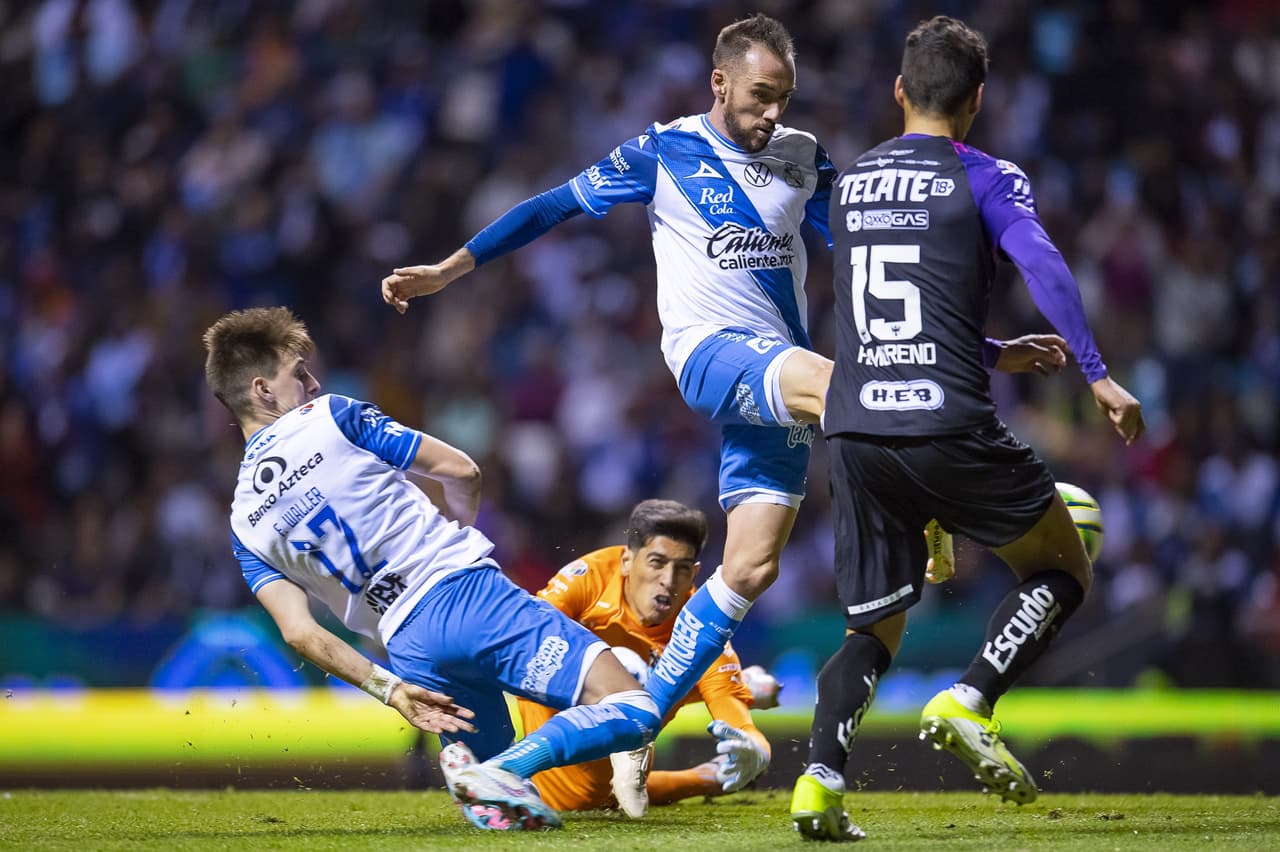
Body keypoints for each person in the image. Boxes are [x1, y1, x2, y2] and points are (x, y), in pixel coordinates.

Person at [381, 14, 1067, 734]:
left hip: (780, 375)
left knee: (749, 568)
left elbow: (883, 277)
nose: (773, 113)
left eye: (785, 98)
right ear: (720, 81)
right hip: (712, 356)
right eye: (760, 94)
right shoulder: (664, 150)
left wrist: (990, 351)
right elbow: (551, 206)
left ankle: (639, 712)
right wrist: (449, 269)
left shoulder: (805, 157)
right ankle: (938, 509)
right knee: (857, 391)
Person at [789, 16, 1146, 842]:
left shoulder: (854, 183)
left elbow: (885, 305)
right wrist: (1094, 372)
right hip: (946, 424)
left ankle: (816, 785)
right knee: (1064, 564)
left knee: (870, 627)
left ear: (899, 91)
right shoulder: (986, 177)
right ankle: (973, 695)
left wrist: (993, 350)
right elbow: (1043, 264)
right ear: (978, 100)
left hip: (854, 430)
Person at [202, 306, 663, 832]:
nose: (312, 383)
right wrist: (460, 528)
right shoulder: (332, 416)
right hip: (463, 594)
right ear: (262, 389)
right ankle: (501, 770)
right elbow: (461, 469)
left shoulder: (243, 522)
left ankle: (484, 776)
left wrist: (390, 690)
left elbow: (299, 632)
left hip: (408, 649)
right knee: (633, 706)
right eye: (299, 373)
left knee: (508, 816)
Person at [514, 498, 780, 818]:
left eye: (682, 569)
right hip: (565, 722)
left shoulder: (701, 629)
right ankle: (712, 754)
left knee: (594, 795)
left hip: (605, 778)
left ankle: (729, 691)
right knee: (626, 669)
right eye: (656, 562)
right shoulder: (590, 579)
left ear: (695, 573)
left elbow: (740, 724)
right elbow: (524, 632)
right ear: (628, 561)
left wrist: (755, 750)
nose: (668, 580)